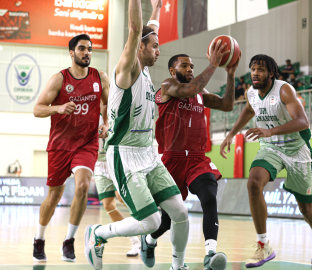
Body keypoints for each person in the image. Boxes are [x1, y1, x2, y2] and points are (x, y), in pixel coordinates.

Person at [84, 1, 190, 270]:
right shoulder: (128, 69)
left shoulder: (144, 69)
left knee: (180, 212)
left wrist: (156, 10)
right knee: (152, 221)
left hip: (148, 152)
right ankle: (98, 234)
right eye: (154, 46)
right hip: (124, 154)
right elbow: (135, 28)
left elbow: (147, 29)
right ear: (140, 47)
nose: (158, 50)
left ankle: (178, 266)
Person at [220, 54, 312, 268]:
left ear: (271, 73)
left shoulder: (283, 89)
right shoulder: (251, 93)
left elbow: (303, 122)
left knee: (306, 209)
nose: (255, 73)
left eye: (260, 69)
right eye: (253, 69)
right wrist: (231, 134)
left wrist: (270, 131)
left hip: (296, 149)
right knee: (253, 183)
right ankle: (263, 245)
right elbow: (250, 109)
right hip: (271, 148)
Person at [142, 50, 240, 270]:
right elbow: (189, 89)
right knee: (166, 221)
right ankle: (149, 241)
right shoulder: (168, 86)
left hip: (196, 158)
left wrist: (231, 74)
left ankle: (211, 254)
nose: (190, 69)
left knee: (209, 196)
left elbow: (227, 105)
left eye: (192, 66)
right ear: (172, 70)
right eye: (184, 66)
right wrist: (214, 64)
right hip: (171, 160)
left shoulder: (199, 92)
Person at [32, 34, 109, 262]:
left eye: (90, 49)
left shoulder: (99, 77)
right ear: (72, 53)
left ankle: (69, 240)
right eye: (82, 49)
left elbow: (106, 104)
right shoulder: (59, 79)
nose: (87, 52)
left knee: (83, 185)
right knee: (53, 197)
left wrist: (106, 123)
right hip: (60, 145)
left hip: (86, 143)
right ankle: (39, 238)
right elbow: (37, 109)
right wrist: (59, 108)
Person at [94, 111, 141, 257]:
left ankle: (146, 222)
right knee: (108, 205)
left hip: (114, 157)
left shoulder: (111, 109)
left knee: (122, 198)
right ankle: (135, 241)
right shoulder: (85, 109)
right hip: (98, 162)